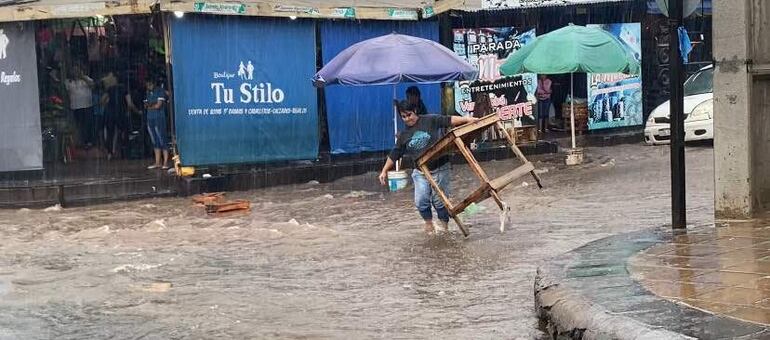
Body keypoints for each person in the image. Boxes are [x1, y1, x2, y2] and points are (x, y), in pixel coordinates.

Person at [378, 101, 478, 234]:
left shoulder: (430, 120)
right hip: (420, 171)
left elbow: (448, 120)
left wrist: (467, 119)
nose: (407, 119)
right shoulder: (403, 136)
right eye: (404, 116)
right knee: (421, 200)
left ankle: (444, 227)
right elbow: (394, 154)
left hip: (441, 166)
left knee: (439, 201)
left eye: (409, 114)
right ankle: (429, 224)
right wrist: (384, 170)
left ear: (415, 111)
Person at [66, 64, 95, 147]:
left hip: (87, 105)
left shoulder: (86, 79)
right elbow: (67, 94)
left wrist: (83, 77)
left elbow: (92, 85)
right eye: (74, 70)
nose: (75, 72)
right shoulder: (68, 82)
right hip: (75, 106)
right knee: (79, 125)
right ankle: (81, 142)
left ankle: (88, 142)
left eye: (77, 70)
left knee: (87, 124)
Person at [144, 78, 169, 169]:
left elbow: (158, 105)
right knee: (154, 140)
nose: (148, 86)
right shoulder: (147, 93)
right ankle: (157, 162)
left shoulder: (160, 91)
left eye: (150, 84)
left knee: (162, 138)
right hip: (150, 118)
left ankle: (165, 162)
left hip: (159, 118)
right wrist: (152, 105)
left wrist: (151, 106)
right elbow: (146, 105)